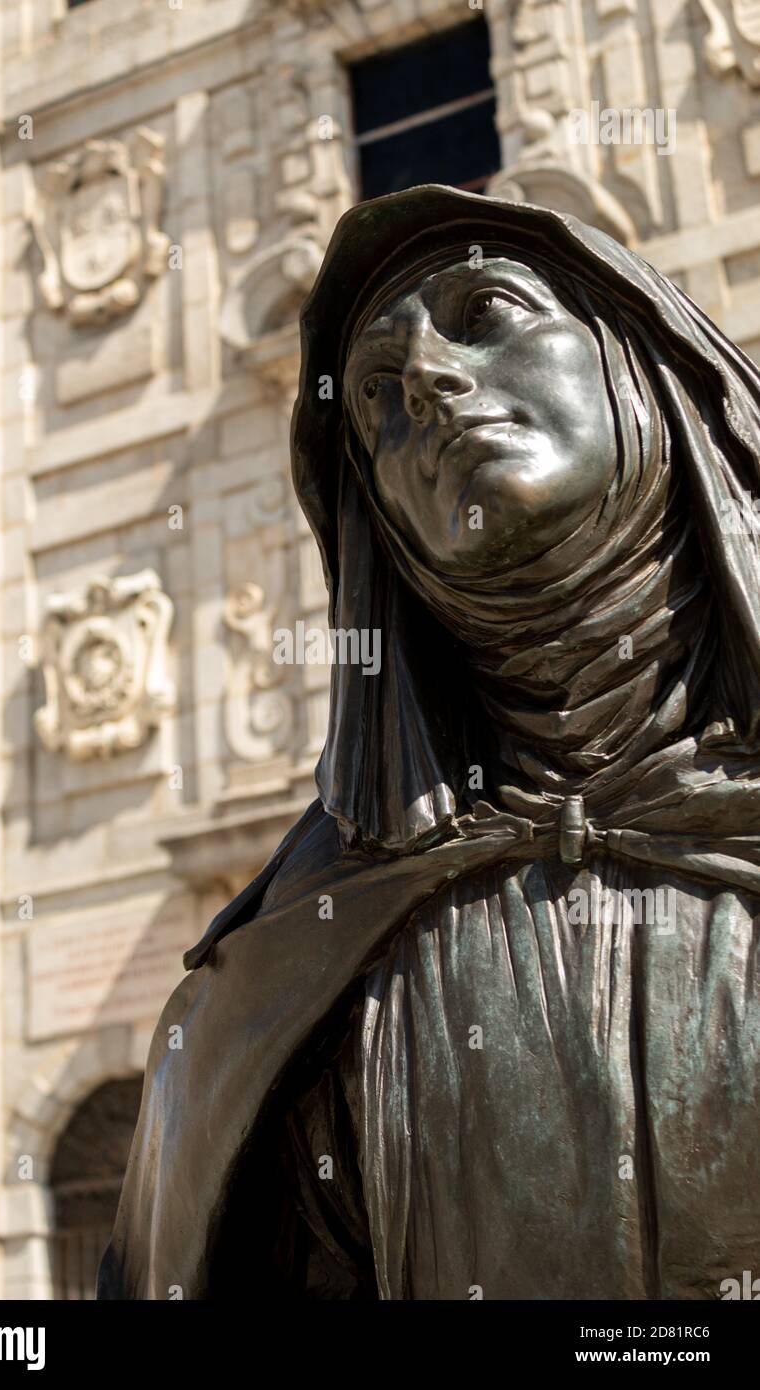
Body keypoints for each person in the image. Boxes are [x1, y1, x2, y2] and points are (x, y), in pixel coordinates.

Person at [98, 185, 760, 1300]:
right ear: (380, 531)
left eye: (488, 311)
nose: (435, 384)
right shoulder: (288, 976)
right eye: (378, 401)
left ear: (644, 364)